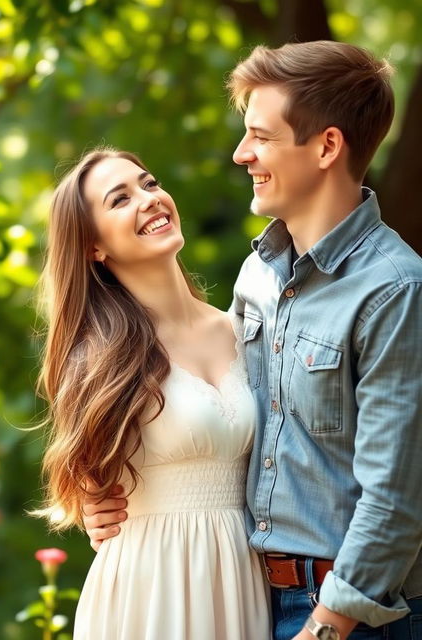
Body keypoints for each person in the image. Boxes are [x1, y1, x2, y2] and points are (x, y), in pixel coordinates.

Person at [83, 41, 422, 640]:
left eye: (260, 136)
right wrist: (106, 501)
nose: (242, 154)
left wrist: (326, 627)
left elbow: (396, 497)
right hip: (249, 599)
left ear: (326, 146)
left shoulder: (393, 289)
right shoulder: (259, 278)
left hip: (353, 616)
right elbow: (235, 432)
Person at [36, 147, 272, 639]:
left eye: (149, 183)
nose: (149, 199)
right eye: (119, 199)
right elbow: (86, 480)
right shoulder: (101, 359)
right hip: (150, 589)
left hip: (245, 577)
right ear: (92, 247)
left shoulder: (245, 326)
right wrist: (89, 505)